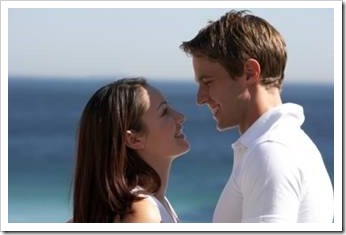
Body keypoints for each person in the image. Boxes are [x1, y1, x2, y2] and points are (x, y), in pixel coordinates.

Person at [180, 10, 333, 223]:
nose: (200, 98)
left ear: (250, 73)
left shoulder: (270, 152)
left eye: (208, 82)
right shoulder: (283, 145)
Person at [71, 77, 190, 223]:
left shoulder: (154, 204)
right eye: (164, 112)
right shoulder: (142, 211)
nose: (180, 117)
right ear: (134, 139)